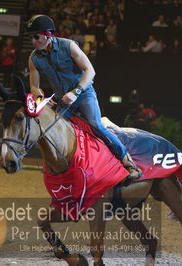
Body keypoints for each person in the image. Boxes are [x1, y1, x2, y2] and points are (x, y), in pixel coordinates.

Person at [27, 14, 142, 180]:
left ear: (48, 35)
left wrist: (76, 92)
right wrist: (41, 99)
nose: (33, 41)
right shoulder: (33, 58)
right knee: (51, 129)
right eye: (31, 37)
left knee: (96, 125)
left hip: (83, 94)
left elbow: (90, 71)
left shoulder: (70, 46)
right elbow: (34, 87)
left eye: (36, 37)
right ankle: (66, 169)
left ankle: (130, 165)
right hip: (63, 100)